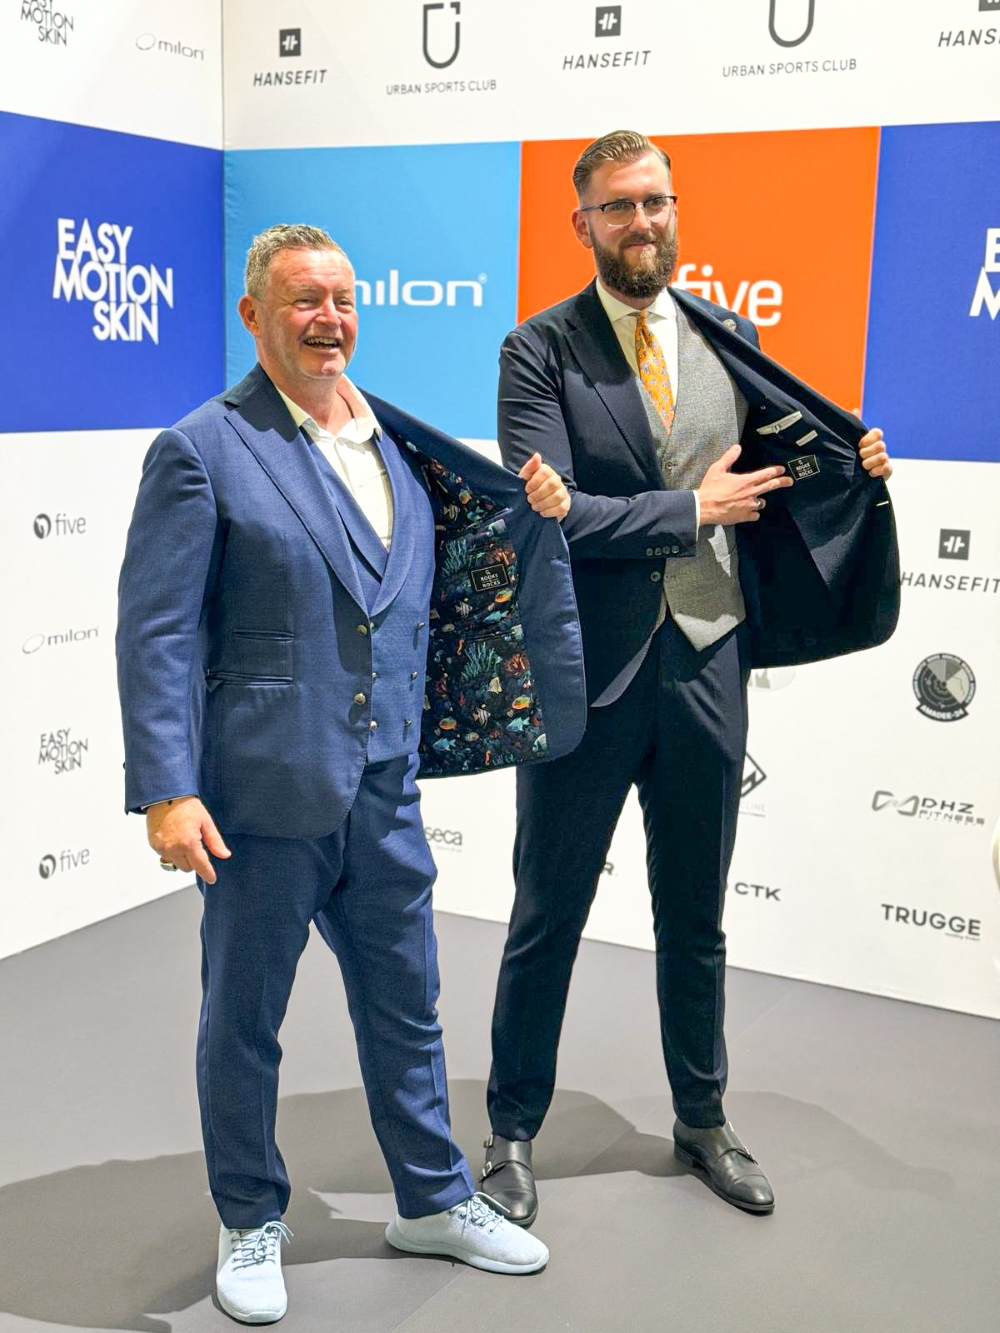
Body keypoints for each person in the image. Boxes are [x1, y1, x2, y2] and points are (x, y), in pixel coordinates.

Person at [116, 224, 587, 1323]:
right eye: (302, 301)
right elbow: (158, 633)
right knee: (245, 1022)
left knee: (407, 1006)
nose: (327, 319)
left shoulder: (401, 450)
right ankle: (248, 1215)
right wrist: (167, 788)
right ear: (254, 317)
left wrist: (542, 520)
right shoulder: (201, 449)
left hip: (383, 793)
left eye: (340, 299)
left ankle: (433, 1197)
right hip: (259, 800)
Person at [480, 131, 897, 1224]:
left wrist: (851, 468)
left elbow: (780, 474)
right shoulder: (538, 350)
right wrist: (687, 511)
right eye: (618, 206)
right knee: (547, 912)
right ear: (582, 223)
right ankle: (510, 1131)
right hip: (588, 679)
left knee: (696, 915)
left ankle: (702, 1119)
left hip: (710, 661)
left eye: (656, 202)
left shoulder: (730, 335)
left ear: (676, 211)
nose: (642, 223)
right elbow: (548, 516)